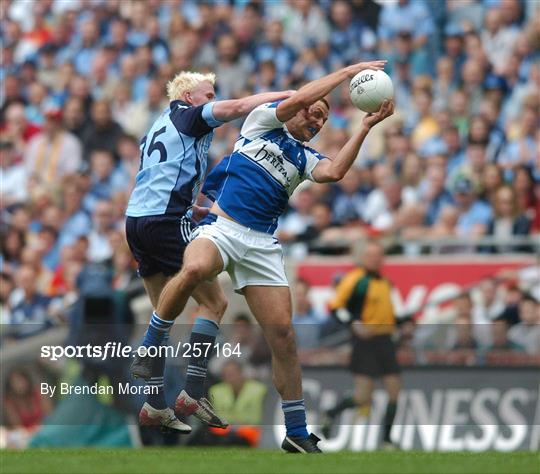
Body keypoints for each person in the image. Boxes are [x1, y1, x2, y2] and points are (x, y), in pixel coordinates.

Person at [132, 59, 393, 453]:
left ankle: (296, 431)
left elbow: (335, 171)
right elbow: (300, 96)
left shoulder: (305, 157)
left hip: (261, 246)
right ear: (299, 108)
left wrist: (365, 127)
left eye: (323, 119)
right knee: (196, 267)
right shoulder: (261, 123)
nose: (318, 122)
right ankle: (151, 343)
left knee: (284, 337)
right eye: (315, 114)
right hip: (221, 227)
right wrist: (345, 73)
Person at [126, 70, 294, 432]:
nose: (213, 98)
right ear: (188, 96)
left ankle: (155, 404)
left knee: (164, 308)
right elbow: (239, 106)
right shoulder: (187, 115)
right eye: (208, 93)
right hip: (167, 220)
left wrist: (194, 207)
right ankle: (193, 389)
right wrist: (292, 95)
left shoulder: (158, 124)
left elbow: (160, 173)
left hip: (137, 220)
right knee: (214, 303)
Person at [321, 241, 401, 450]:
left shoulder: (384, 282)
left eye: (379, 255)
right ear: (364, 258)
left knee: (394, 390)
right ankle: (332, 413)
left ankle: (387, 439)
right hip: (366, 342)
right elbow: (336, 307)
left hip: (385, 341)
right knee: (363, 396)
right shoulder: (356, 279)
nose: (376, 259)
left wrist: (401, 324)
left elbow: (388, 314)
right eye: (372, 255)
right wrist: (353, 323)